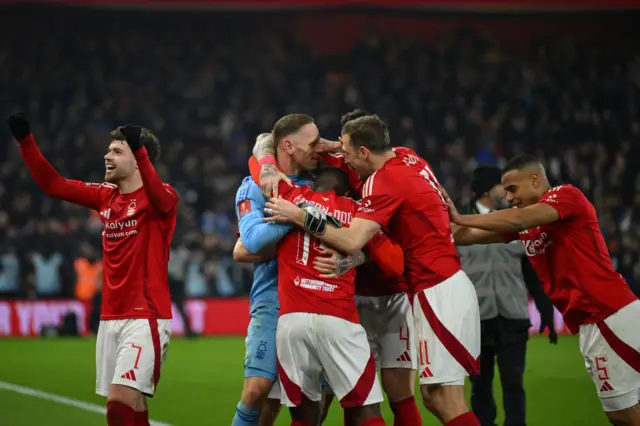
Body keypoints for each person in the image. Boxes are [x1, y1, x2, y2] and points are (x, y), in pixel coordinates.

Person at [257, 114, 482, 426]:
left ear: (362, 151)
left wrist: (349, 251)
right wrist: (270, 163)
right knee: (402, 397)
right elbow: (266, 139)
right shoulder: (406, 157)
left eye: (346, 151)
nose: (341, 157)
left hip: (411, 290)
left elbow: (360, 244)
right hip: (369, 297)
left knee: (420, 395)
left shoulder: (377, 182)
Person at [7, 112, 177, 426]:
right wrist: (26, 142)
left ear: (139, 160)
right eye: (108, 150)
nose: (106, 156)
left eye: (116, 151)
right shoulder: (105, 196)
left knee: (118, 405)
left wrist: (140, 149)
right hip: (110, 318)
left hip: (146, 316)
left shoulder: (160, 198)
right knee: (133, 406)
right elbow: (53, 185)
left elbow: (162, 200)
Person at [448, 154, 640, 426]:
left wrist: (462, 216)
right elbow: (468, 237)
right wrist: (437, 223)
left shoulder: (565, 195)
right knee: (625, 410)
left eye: (513, 189)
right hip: (595, 320)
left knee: (622, 413)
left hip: (606, 314)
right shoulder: (528, 226)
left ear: (535, 180)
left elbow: (516, 219)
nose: (509, 197)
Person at [263, 166, 402, 426]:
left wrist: (267, 164)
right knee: (367, 411)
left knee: (303, 416)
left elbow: (260, 155)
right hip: (339, 319)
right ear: (347, 191)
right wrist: (359, 256)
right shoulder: (357, 211)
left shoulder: (291, 196)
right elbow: (395, 264)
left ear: (313, 184)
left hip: (292, 321)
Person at [231, 115, 318, 426]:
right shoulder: (255, 187)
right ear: (289, 146)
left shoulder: (321, 180)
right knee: (258, 393)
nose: (319, 149)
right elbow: (249, 243)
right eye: (313, 143)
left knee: (307, 404)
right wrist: (304, 216)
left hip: (315, 302)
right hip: (272, 301)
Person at [458, 164, 557, 426]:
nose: (506, 192)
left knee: (514, 382)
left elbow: (531, 271)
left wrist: (546, 310)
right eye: (501, 186)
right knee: (480, 386)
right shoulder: (459, 225)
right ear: (488, 190)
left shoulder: (515, 221)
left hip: (512, 315)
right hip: (475, 319)